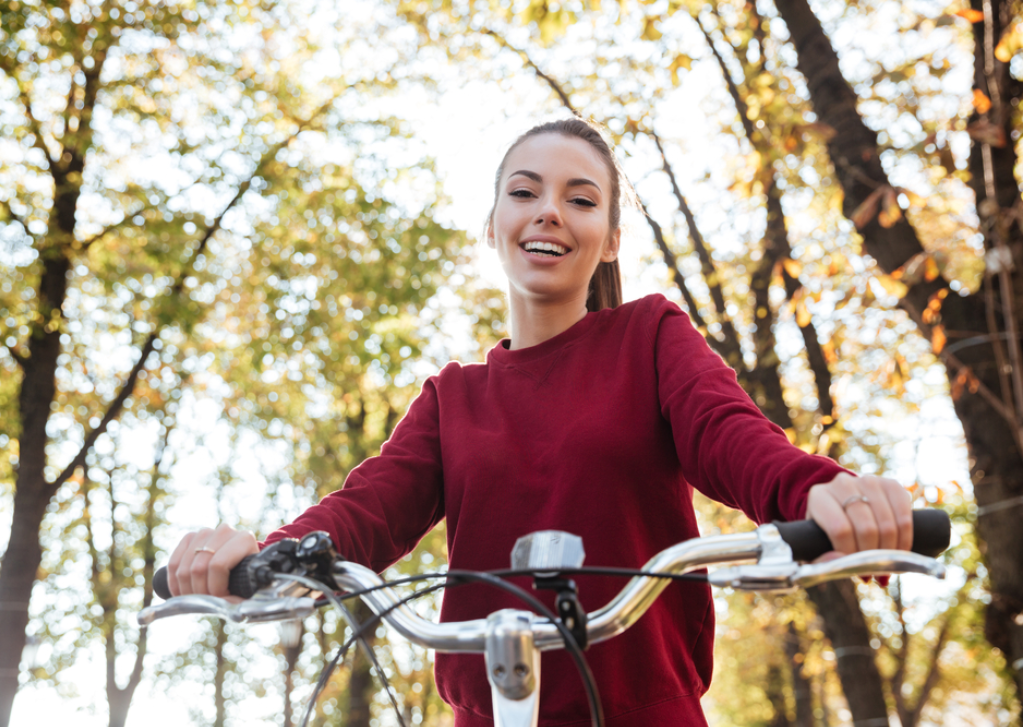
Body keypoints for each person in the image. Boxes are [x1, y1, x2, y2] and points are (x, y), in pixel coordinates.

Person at [166, 117, 914, 726]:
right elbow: (365, 510)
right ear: (493, 225)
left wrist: (821, 492)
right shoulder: (453, 398)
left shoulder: (649, 338)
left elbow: (730, 432)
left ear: (611, 238)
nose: (550, 210)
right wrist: (264, 559)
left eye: (581, 199)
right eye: (525, 192)